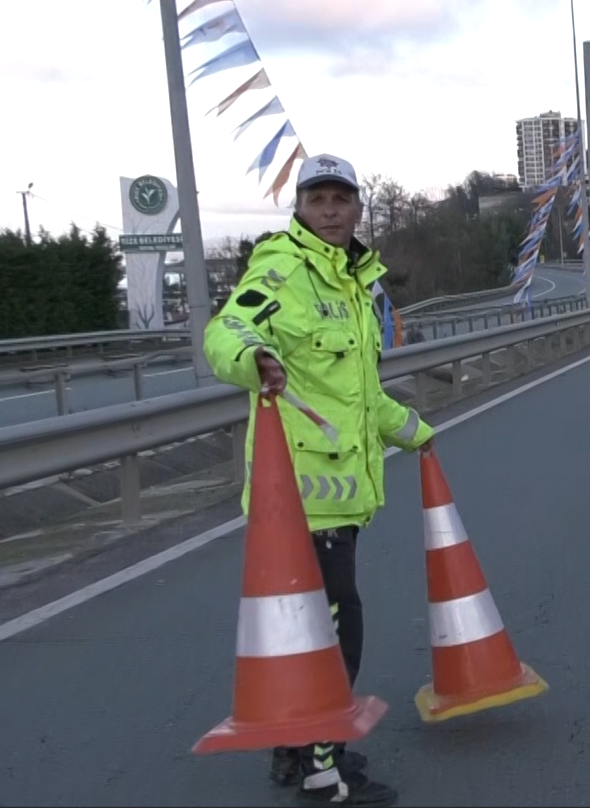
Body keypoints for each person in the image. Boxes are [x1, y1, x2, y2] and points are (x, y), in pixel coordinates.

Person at [204, 153, 435, 807]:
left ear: (358, 208)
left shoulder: (350, 285)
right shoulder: (284, 270)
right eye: (317, 199)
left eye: (340, 198)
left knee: (302, 631)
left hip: (337, 493)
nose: (330, 210)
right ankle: (322, 772)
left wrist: (415, 431)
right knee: (336, 631)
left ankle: (292, 749)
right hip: (304, 497)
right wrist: (255, 358)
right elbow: (225, 331)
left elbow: (357, 397)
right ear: (299, 208)